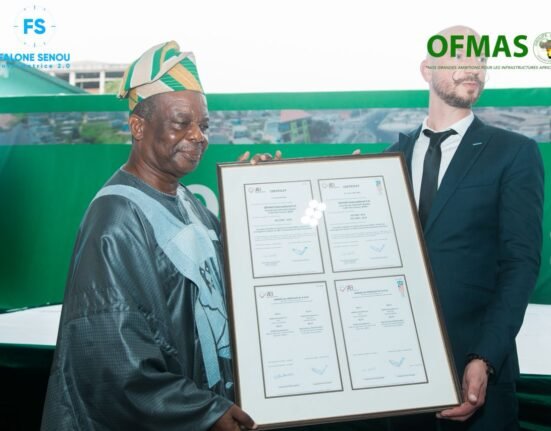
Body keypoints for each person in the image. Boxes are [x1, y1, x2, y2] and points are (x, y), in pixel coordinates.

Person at [41, 41, 256, 431]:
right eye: (181, 122)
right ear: (138, 126)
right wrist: (203, 412)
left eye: (204, 125)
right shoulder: (116, 219)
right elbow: (112, 361)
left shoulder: (188, 204)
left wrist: (255, 200)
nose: (198, 136)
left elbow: (234, 284)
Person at [386, 26, 544, 430]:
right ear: (427, 70)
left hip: (477, 374)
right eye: (460, 58)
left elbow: (520, 264)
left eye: (481, 61)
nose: (474, 69)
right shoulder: (388, 159)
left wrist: (485, 357)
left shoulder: (514, 152)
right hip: (397, 376)